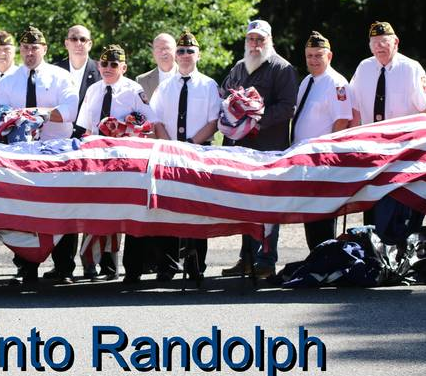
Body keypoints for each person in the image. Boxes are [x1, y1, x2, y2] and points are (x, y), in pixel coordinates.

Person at [0, 25, 78, 285]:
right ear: (20, 50)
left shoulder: (61, 77)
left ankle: (64, 267)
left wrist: (36, 113)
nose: (30, 52)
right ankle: (26, 267)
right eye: (26, 48)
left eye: (35, 48)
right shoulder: (8, 81)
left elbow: (70, 112)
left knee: (63, 209)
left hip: (56, 152)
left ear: (45, 49)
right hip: (20, 155)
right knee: (24, 213)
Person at [76, 44, 161, 283]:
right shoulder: (93, 90)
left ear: (123, 67)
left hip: (123, 162)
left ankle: (113, 266)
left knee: (118, 211)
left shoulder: (134, 90)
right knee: (93, 210)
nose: (108, 68)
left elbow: (149, 124)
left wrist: (127, 131)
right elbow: (86, 127)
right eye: (104, 64)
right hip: (95, 159)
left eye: (114, 65)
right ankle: (89, 265)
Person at [220, 19, 298, 278]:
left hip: (268, 149)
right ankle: (246, 258)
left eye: (260, 39)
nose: (255, 44)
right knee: (244, 203)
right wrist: (234, 111)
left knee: (267, 207)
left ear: (269, 40)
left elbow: (288, 107)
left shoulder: (282, 68)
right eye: (251, 39)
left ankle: (266, 261)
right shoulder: (240, 67)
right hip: (239, 149)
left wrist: (255, 120)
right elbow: (224, 94)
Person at [149, 30, 222, 281]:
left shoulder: (209, 85)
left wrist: (190, 144)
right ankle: (167, 265)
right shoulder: (165, 86)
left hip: (198, 152)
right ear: (175, 55)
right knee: (166, 208)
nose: (185, 55)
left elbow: (214, 122)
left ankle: (195, 263)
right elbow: (155, 119)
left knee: (197, 209)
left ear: (198, 54)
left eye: (190, 51)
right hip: (169, 153)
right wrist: (170, 146)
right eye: (181, 51)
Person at [348, 21, 426, 226]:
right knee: (372, 206)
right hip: (372, 150)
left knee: (400, 210)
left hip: (403, 152)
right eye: (374, 42)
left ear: (396, 42)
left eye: (384, 42)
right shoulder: (364, 68)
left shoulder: (411, 69)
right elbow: (355, 110)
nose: (379, 47)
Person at [50, 24, 105, 281]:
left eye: (84, 39)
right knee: (63, 207)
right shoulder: (54, 71)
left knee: (90, 206)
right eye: (74, 38)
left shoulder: (101, 70)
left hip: (89, 145)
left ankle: (91, 263)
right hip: (58, 145)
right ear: (66, 43)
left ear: (90, 43)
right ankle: (62, 266)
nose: (79, 43)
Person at [292, 31, 352, 249]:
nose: (314, 60)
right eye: (310, 56)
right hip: (305, 160)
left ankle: (326, 258)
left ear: (329, 56)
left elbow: (343, 121)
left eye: (318, 55)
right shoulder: (307, 81)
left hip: (323, 161)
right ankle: (317, 257)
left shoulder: (336, 83)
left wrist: (326, 154)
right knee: (310, 214)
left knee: (323, 216)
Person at [136, 33, 178, 101]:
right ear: (153, 53)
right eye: (158, 48)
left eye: (167, 48)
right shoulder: (141, 81)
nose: (163, 52)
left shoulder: (189, 78)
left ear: (176, 51)